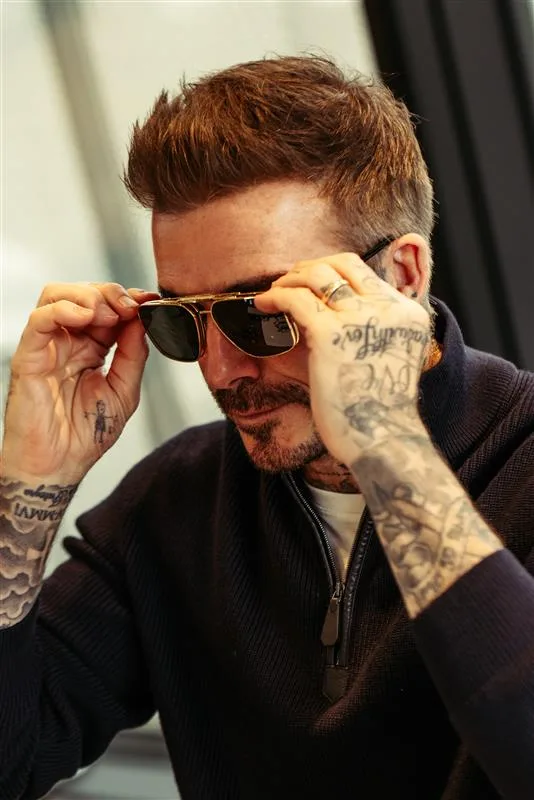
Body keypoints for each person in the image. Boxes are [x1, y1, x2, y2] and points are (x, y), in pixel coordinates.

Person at [1, 55, 533, 800]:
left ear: (404, 277)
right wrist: (25, 484)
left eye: (263, 313)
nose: (221, 370)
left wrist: (385, 446)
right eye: (183, 321)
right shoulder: (176, 504)